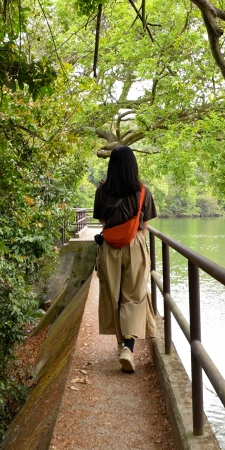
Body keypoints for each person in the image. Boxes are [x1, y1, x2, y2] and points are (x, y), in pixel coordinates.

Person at [92, 145, 157, 373]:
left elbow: (102, 221)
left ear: (112, 166)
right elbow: (145, 225)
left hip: (110, 247)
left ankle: (120, 343)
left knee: (113, 295)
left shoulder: (102, 191)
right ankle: (129, 348)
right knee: (134, 295)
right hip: (135, 245)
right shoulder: (143, 192)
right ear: (132, 166)